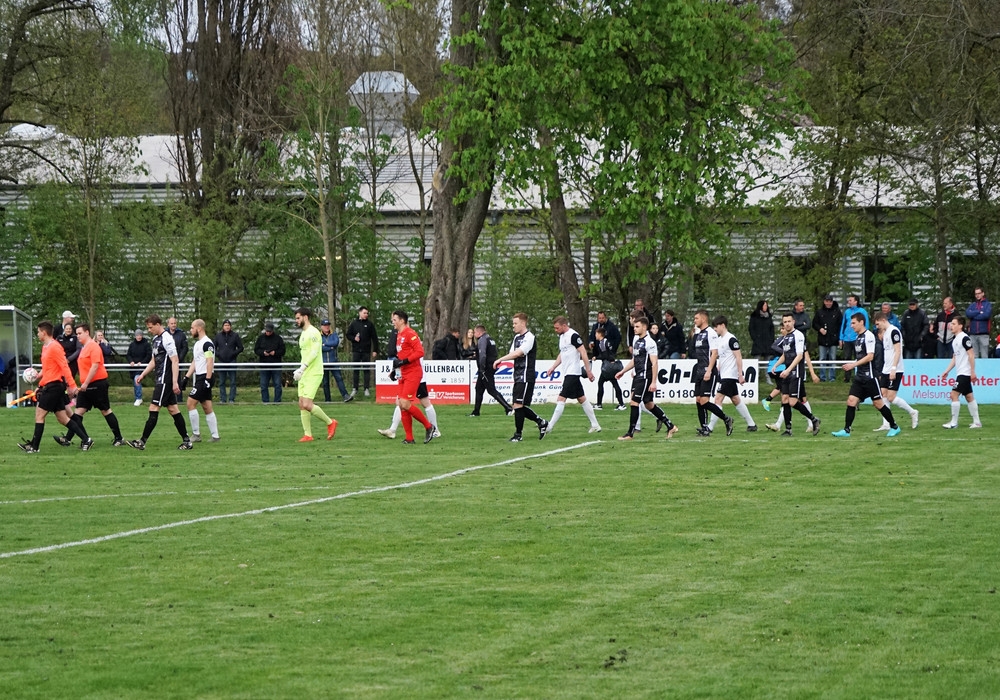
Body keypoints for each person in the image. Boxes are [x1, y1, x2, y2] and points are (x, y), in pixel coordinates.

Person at [17, 321, 93, 453]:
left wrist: (72, 385)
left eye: (38, 332)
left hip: (54, 386)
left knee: (39, 415)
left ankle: (34, 447)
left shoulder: (55, 347)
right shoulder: (45, 347)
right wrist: (39, 382)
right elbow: (47, 369)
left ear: (44, 333)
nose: (38, 334)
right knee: (63, 418)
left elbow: (64, 367)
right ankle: (86, 439)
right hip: (49, 385)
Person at [127, 314, 192, 450]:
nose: (149, 330)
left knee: (153, 408)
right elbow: (153, 361)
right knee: (173, 409)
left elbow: (175, 360)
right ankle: (187, 441)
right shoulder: (156, 339)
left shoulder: (167, 338)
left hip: (165, 380)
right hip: (160, 379)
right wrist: (143, 374)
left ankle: (142, 442)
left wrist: (175, 382)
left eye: (150, 327)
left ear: (158, 325)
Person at [54, 324, 125, 447]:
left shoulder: (93, 346)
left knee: (105, 410)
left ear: (87, 332)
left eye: (80, 333)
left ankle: (119, 438)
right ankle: (68, 439)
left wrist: (86, 382)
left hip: (97, 384)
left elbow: (95, 366)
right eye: (77, 333)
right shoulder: (84, 348)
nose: (78, 336)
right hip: (86, 386)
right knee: (78, 412)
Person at [831, 313, 901, 438]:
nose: (851, 326)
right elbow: (861, 357)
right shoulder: (858, 337)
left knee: (878, 404)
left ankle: (894, 426)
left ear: (861, 322)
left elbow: (870, 356)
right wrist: (854, 364)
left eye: (853, 323)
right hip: (860, 377)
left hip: (870, 377)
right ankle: (846, 430)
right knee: (851, 401)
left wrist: (853, 365)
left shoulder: (868, 336)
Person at [614, 315, 677, 440]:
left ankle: (630, 433)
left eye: (637, 326)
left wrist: (653, 382)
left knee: (634, 402)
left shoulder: (650, 342)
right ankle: (670, 426)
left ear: (644, 327)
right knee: (649, 404)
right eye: (634, 326)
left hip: (645, 377)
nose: (634, 328)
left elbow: (654, 363)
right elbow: (635, 360)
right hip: (639, 376)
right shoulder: (637, 341)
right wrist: (623, 371)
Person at [494, 312, 548, 442]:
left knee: (518, 405)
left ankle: (518, 434)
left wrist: (500, 360)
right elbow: (512, 353)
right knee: (518, 406)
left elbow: (519, 353)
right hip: (517, 375)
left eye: (515, 323)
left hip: (526, 376)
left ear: (523, 323)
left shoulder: (530, 337)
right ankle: (541, 422)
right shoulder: (516, 338)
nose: (513, 326)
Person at [543, 316, 601, 435]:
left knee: (561, 398)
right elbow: (562, 354)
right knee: (581, 398)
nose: (555, 330)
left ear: (564, 325)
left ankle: (549, 426)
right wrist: (553, 367)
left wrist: (588, 370)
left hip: (573, 372)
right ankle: (595, 425)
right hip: (568, 372)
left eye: (557, 328)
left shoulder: (573, 336)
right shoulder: (562, 337)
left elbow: (583, 352)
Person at [385, 310, 435, 444]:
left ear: (402, 321)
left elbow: (420, 352)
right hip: (403, 373)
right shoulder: (399, 334)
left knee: (405, 403)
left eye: (394, 320)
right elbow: (402, 355)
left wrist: (404, 362)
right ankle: (409, 438)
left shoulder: (410, 333)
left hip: (413, 373)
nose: (393, 322)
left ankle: (429, 427)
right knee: (401, 404)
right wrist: (395, 369)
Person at [292, 308, 338, 442]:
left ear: (305, 317)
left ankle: (330, 422)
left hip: (314, 372)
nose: (296, 321)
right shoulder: (303, 333)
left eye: (298, 318)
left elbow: (314, 352)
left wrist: (302, 368)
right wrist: (301, 370)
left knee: (307, 404)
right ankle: (308, 435)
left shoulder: (313, 332)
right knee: (301, 404)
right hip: (305, 372)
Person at [772, 313, 821, 437]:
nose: (787, 324)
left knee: (793, 402)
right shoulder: (786, 337)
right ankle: (788, 429)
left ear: (793, 322)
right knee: (784, 399)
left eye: (789, 321)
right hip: (787, 372)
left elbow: (799, 356)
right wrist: (776, 365)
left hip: (796, 373)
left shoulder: (798, 335)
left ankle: (813, 419)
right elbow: (785, 355)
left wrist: (788, 370)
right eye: (785, 322)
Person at [705, 316, 756, 433]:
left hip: (730, 375)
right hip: (724, 374)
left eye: (716, 326)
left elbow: (738, 356)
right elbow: (722, 358)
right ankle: (751, 424)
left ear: (723, 325)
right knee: (735, 399)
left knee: (718, 399)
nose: (715, 329)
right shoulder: (719, 340)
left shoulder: (731, 339)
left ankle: (709, 427)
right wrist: (718, 369)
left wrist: (740, 374)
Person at [872, 312, 919, 431]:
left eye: (877, 324)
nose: (877, 327)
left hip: (895, 369)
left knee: (891, 397)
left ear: (883, 320)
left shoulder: (894, 331)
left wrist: (893, 368)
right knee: (883, 395)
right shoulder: (886, 333)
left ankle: (912, 412)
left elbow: (898, 351)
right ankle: (886, 424)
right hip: (886, 369)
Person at [690, 309, 732, 437]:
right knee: (698, 400)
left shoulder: (711, 333)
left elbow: (714, 353)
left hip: (708, 371)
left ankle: (726, 419)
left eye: (696, 318)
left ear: (703, 319)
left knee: (704, 401)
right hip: (699, 370)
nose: (695, 321)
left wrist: (709, 370)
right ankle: (704, 428)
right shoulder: (699, 333)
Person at [940, 316, 982, 429]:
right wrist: (947, 371)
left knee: (954, 394)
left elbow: (971, 355)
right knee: (969, 397)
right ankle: (977, 422)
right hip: (961, 372)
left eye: (954, 324)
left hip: (965, 373)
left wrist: (972, 371)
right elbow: (955, 358)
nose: (951, 326)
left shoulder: (964, 338)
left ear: (960, 326)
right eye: (951, 324)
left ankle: (954, 423)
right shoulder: (955, 340)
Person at [183, 319, 221, 443]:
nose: (190, 330)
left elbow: (210, 361)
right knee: (206, 407)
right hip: (200, 377)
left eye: (192, 327)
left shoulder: (207, 343)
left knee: (190, 403)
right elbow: (195, 362)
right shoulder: (197, 344)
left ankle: (196, 435)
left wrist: (208, 379)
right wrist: (186, 377)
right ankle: (215, 436)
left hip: (205, 377)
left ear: (199, 328)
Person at [468, 325, 513, 417]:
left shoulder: (482, 340)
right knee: (479, 389)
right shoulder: (490, 339)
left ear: (479, 332)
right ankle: (476, 411)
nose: (474, 334)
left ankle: (508, 408)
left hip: (485, 369)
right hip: (490, 367)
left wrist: (482, 368)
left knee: (491, 390)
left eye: (475, 332)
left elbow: (483, 355)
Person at [347, 306, 379, 397]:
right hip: (356, 350)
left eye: (367, 313)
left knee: (366, 370)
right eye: (364, 313)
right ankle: (355, 388)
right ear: (360, 313)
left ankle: (366, 388)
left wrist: (375, 350)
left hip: (366, 351)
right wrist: (354, 338)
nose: (366, 315)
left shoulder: (369, 324)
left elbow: (374, 338)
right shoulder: (354, 323)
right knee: (356, 370)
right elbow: (348, 335)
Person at [319, 319, 352, 403]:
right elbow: (319, 347)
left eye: (328, 325)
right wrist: (329, 347)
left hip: (333, 361)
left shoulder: (334, 334)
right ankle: (327, 399)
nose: (327, 327)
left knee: (339, 378)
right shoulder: (318, 336)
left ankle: (345, 395)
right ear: (321, 326)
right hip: (323, 362)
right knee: (325, 382)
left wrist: (325, 344)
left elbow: (335, 343)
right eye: (325, 325)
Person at [593, 327, 625, 410]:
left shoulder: (603, 343)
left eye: (596, 333)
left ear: (600, 334)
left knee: (604, 383)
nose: (595, 335)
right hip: (608, 366)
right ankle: (621, 403)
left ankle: (600, 404)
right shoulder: (603, 342)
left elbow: (606, 354)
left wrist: (597, 357)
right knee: (610, 384)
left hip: (608, 368)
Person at [839, 294, 868, 382]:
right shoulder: (847, 312)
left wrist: (864, 335)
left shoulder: (862, 311)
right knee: (847, 357)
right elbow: (843, 325)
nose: (849, 302)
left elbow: (866, 324)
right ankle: (846, 377)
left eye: (850, 300)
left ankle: (859, 375)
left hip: (857, 338)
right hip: (847, 338)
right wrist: (841, 338)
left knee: (859, 357)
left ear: (856, 301)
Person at [214, 319, 244, 404]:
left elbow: (241, 348)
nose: (227, 327)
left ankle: (231, 399)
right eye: (225, 325)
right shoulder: (218, 336)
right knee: (222, 382)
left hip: (232, 361)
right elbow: (213, 348)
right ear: (223, 327)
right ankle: (223, 399)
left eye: (228, 325)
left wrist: (233, 354)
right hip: (221, 361)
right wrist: (218, 354)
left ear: (230, 326)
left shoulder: (235, 336)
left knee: (233, 381)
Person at [812, 294, 842, 381]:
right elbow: (814, 324)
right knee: (822, 358)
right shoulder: (819, 312)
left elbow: (840, 325)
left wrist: (840, 338)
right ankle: (823, 377)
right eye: (827, 301)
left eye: (830, 301)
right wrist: (820, 329)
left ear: (832, 302)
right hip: (822, 339)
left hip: (833, 339)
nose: (828, 303)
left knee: (833, 358)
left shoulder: (837, 312)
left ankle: (832, 377)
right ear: (824, 302)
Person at [254, 322, 285, 403]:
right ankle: (265, 401)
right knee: (263, 385)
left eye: (269, 331)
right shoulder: (261, 338)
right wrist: (263, 353)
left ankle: (277, 401)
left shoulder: (278, 339)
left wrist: (275, 353)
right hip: (264, 365)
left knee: (277, 384)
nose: (268, 333)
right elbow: (256, 350)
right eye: (267, 331)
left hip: (276, 365)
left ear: (272, 330)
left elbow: (282, 350)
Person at [749, 300, 776, 380]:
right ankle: (755, 378)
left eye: (766, 306)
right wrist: (755, 338)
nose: (766, 307)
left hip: (768, 342)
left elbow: (772, 329)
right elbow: (751, 328)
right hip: (758, 342)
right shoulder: (754, 316)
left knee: (768, 360)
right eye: (764, 305)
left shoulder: (769, 317)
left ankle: (768, 378)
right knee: (756, 360)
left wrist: (771, 339)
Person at [126, 328, 152, 406]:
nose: (139, 337)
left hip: (142, 367)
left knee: (137, 379)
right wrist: (131, 361)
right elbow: (128, 355)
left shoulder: (146, 345)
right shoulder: (132, 345)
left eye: (140, 335)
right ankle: (137, 397)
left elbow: (149, 355)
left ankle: (138, 398)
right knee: (135, 382)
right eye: (137, 335)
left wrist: (142, 362)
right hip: (133, 367)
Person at [965, 287, 992, 359]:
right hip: (973, 334)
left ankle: (984, 367)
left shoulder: (987, 304)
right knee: (974, 357)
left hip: (984, 334)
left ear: (983, 293)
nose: (977, 295)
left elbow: (986, 315)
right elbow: (968, 314)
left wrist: (973, 316)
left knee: (984, 356)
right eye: (976, 294)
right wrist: (979, 312)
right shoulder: (972, 305)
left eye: (979, 293)